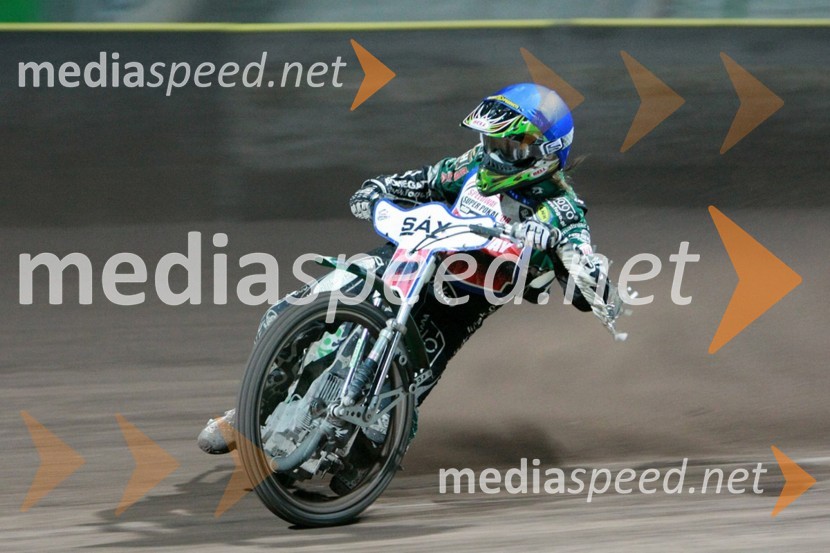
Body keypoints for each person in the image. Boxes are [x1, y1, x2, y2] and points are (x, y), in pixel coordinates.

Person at [198, 83, 625, 490]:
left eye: (508, 146)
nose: (494, 154)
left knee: (382, 427)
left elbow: (601, 296)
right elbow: (416, 182)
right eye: (491, 142)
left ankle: (365, 463)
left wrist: (561, 250)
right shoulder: (469, 167)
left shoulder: (562, 210)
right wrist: (378, 188)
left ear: (543, 153)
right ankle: (253, 412)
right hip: (399, 264)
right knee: (283, 316)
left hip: (447, 313)